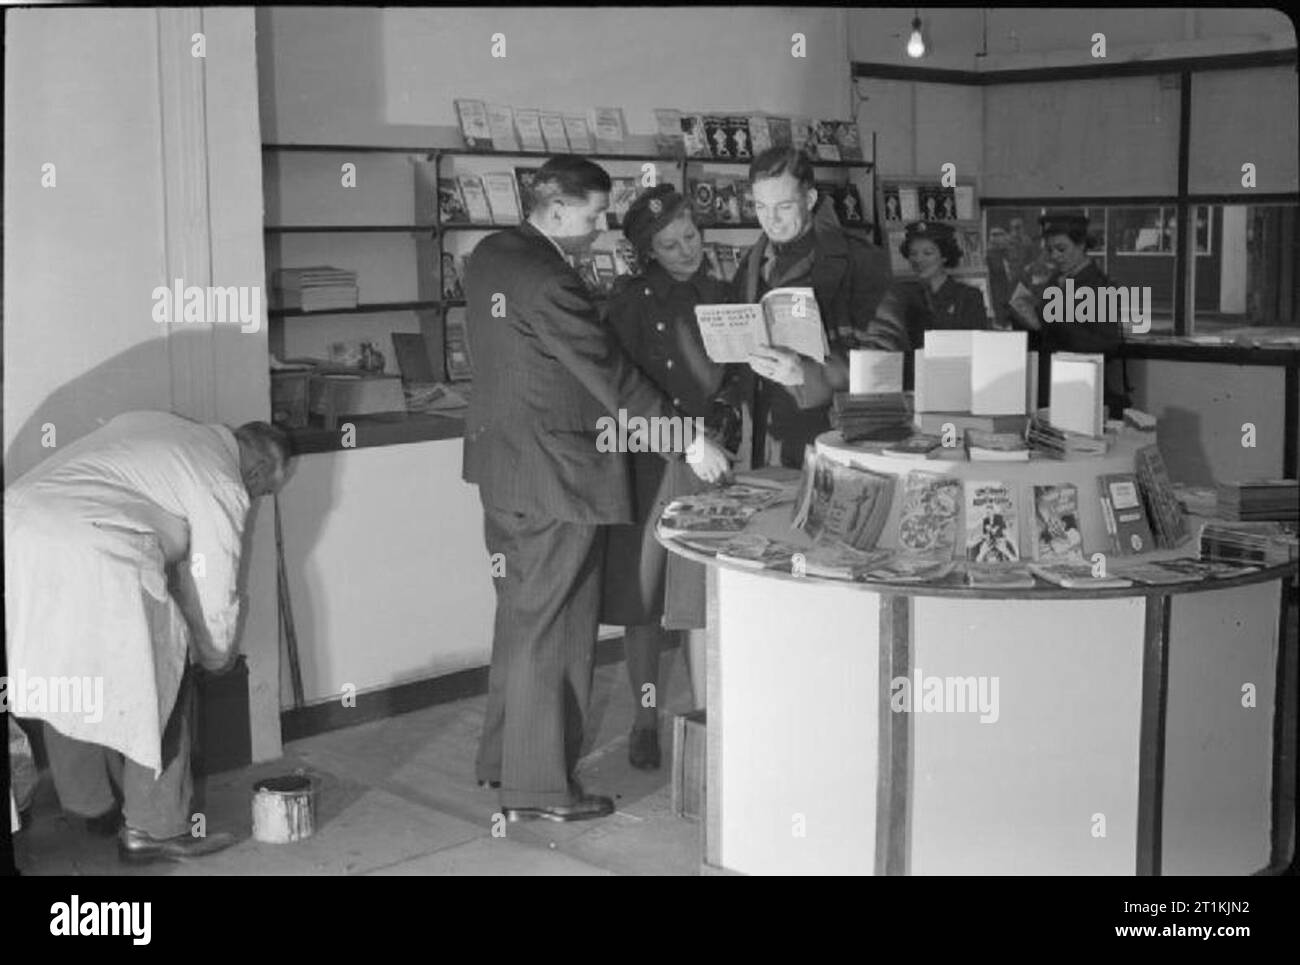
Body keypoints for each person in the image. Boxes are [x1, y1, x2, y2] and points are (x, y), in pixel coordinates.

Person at [461, 156, 727, 822]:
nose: (603, 227)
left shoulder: (492, 253)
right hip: (557, 479)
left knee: (523, 621)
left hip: (508, 472)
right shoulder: (551, 279)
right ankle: (543, 789)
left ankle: (506, 764)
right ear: (555, 211)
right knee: (554, 629)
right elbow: (611, 375)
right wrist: (689, 439)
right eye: (593, 214)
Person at [4, 411, 289, 863]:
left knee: (65, 666)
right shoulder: (222, 479)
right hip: (90, 543)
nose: (256, 498)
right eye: (265, 490)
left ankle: (88, 807)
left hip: (18, 527)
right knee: (168, 678)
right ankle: (154, 829)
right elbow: (213, 583)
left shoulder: (164, 429)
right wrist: (214, 658)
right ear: (255, 471)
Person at [601, 185, 748, 770]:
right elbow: (620, 384)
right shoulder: (628, 300)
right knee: (643, 598)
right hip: (648, 459)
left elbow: (740, 370)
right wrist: (681, 438)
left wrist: (725, 415)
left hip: (708, 459)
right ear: (648, 252)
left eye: (691, 236)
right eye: (670, 244)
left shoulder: (722, 294)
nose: (686, 250)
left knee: (697, 597)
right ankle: (644, 720)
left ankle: (706, 715)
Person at [736, 146, 892, 469]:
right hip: (767, 441)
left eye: (784, 206)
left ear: (809, 200)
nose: (771, 220)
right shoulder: (752, 262)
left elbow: (884, 363)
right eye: (761, 207)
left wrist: (806, 374)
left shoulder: (861, 260)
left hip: (834, 437)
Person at [1007, 210, 1126, 413]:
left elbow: (1107, 345)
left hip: (1080, 386)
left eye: (1061, 249)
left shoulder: (1100, 287)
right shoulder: (1055, 280)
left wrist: (1055, 321)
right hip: (1048, 383)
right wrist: (1022, 317)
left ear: (1081, 245)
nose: (1055, 257)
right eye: (1050, 250)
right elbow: (1044, 330)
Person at [859, 221, 990, 388]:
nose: (918, 260)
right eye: (913, 254)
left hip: (953, 382)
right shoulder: (901, 295)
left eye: (928, 253)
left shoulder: (968, 296)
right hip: (910, 383)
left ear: (944, 256)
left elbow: (975, 346)